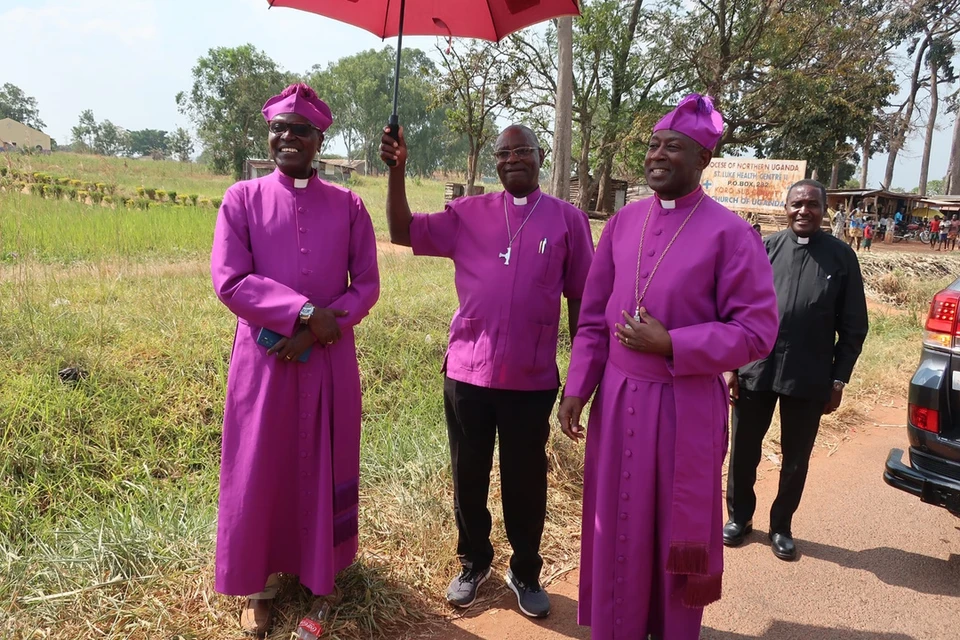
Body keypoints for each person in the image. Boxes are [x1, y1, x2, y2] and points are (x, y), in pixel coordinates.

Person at [557, 94, 779, 639]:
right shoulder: (621, 223)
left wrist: (674, 343)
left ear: (703, 158)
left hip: (685, 408)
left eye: (672, 147)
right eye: (653, 144)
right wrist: (577, 388)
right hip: (616, 400)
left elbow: (757, 331)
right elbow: (591, 319)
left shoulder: (731, 234)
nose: (657, 155)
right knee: (619, 527)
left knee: (670, 531)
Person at [379, 123, 594, 618]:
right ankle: (474, 562)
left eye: (523, 151)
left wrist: (579, 383)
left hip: (531, 378)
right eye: (504, 153)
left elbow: (581, 305)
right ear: (495, 162)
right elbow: (399, 231)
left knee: (526, 480)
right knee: (468, 475)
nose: (512, 159)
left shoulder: (568, 221)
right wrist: (398, 171)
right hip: (467, 375)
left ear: (542, 158)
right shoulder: (468, 213)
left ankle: (525, 570)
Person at [210, 83, 380, 635]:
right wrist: (305, 313)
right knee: (262, 466)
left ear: (318, 139)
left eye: (300, 131)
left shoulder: (350, 205)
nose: (288, 138)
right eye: (279, 129)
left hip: (328, 361)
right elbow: (231, 280)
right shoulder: (242, 198)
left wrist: (319, 331)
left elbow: (367, 285)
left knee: (325, 462)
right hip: (265, 364)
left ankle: (320, 577)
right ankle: (259, 585)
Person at [723, 179, 868, 562]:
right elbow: (738, 311)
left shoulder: (841, 258)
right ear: (785, 208)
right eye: (797, 204)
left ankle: (781, 526)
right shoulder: (764, 249)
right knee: (743, 451)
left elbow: (854, 327)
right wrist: (731, 368)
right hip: (756, 369)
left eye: (813, 205)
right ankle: (739, 518)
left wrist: (838, 380)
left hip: (809, 375)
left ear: (824, 210)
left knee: (796, 457)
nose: (804, 211)